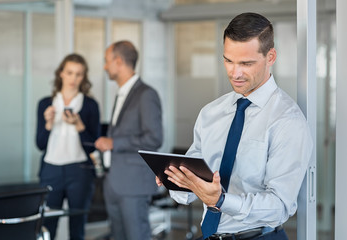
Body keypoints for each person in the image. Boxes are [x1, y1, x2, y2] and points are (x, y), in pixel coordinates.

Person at [157, 12, 313, 240]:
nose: (235, 73)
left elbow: (280, 206)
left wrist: (220, 200)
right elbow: (190, 190)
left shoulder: (287, 120)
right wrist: (177, 181)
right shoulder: (211, 113)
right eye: (228, 60)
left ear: (271, 57)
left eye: (246, 63)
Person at [94, 40, 163, 240]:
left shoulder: (146, 94)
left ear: (118, 61)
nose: (105, 66)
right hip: (114, 182)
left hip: (133, 185)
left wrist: (114, 143)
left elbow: (154, 137)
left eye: (107, 61)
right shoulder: (122, 93)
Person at [36, 53, 100, 240]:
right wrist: (48, 124)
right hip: (50, 171)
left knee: (77, 226)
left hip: (79, 171)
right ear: (61, 74)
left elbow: (93, 147)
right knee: (47, 225)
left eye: (79, 74)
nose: (73, 78)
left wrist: (80, 127)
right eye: (70, 72)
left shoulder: (90, 105)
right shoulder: (45, 104)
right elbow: (40, 144)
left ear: (84, 77)